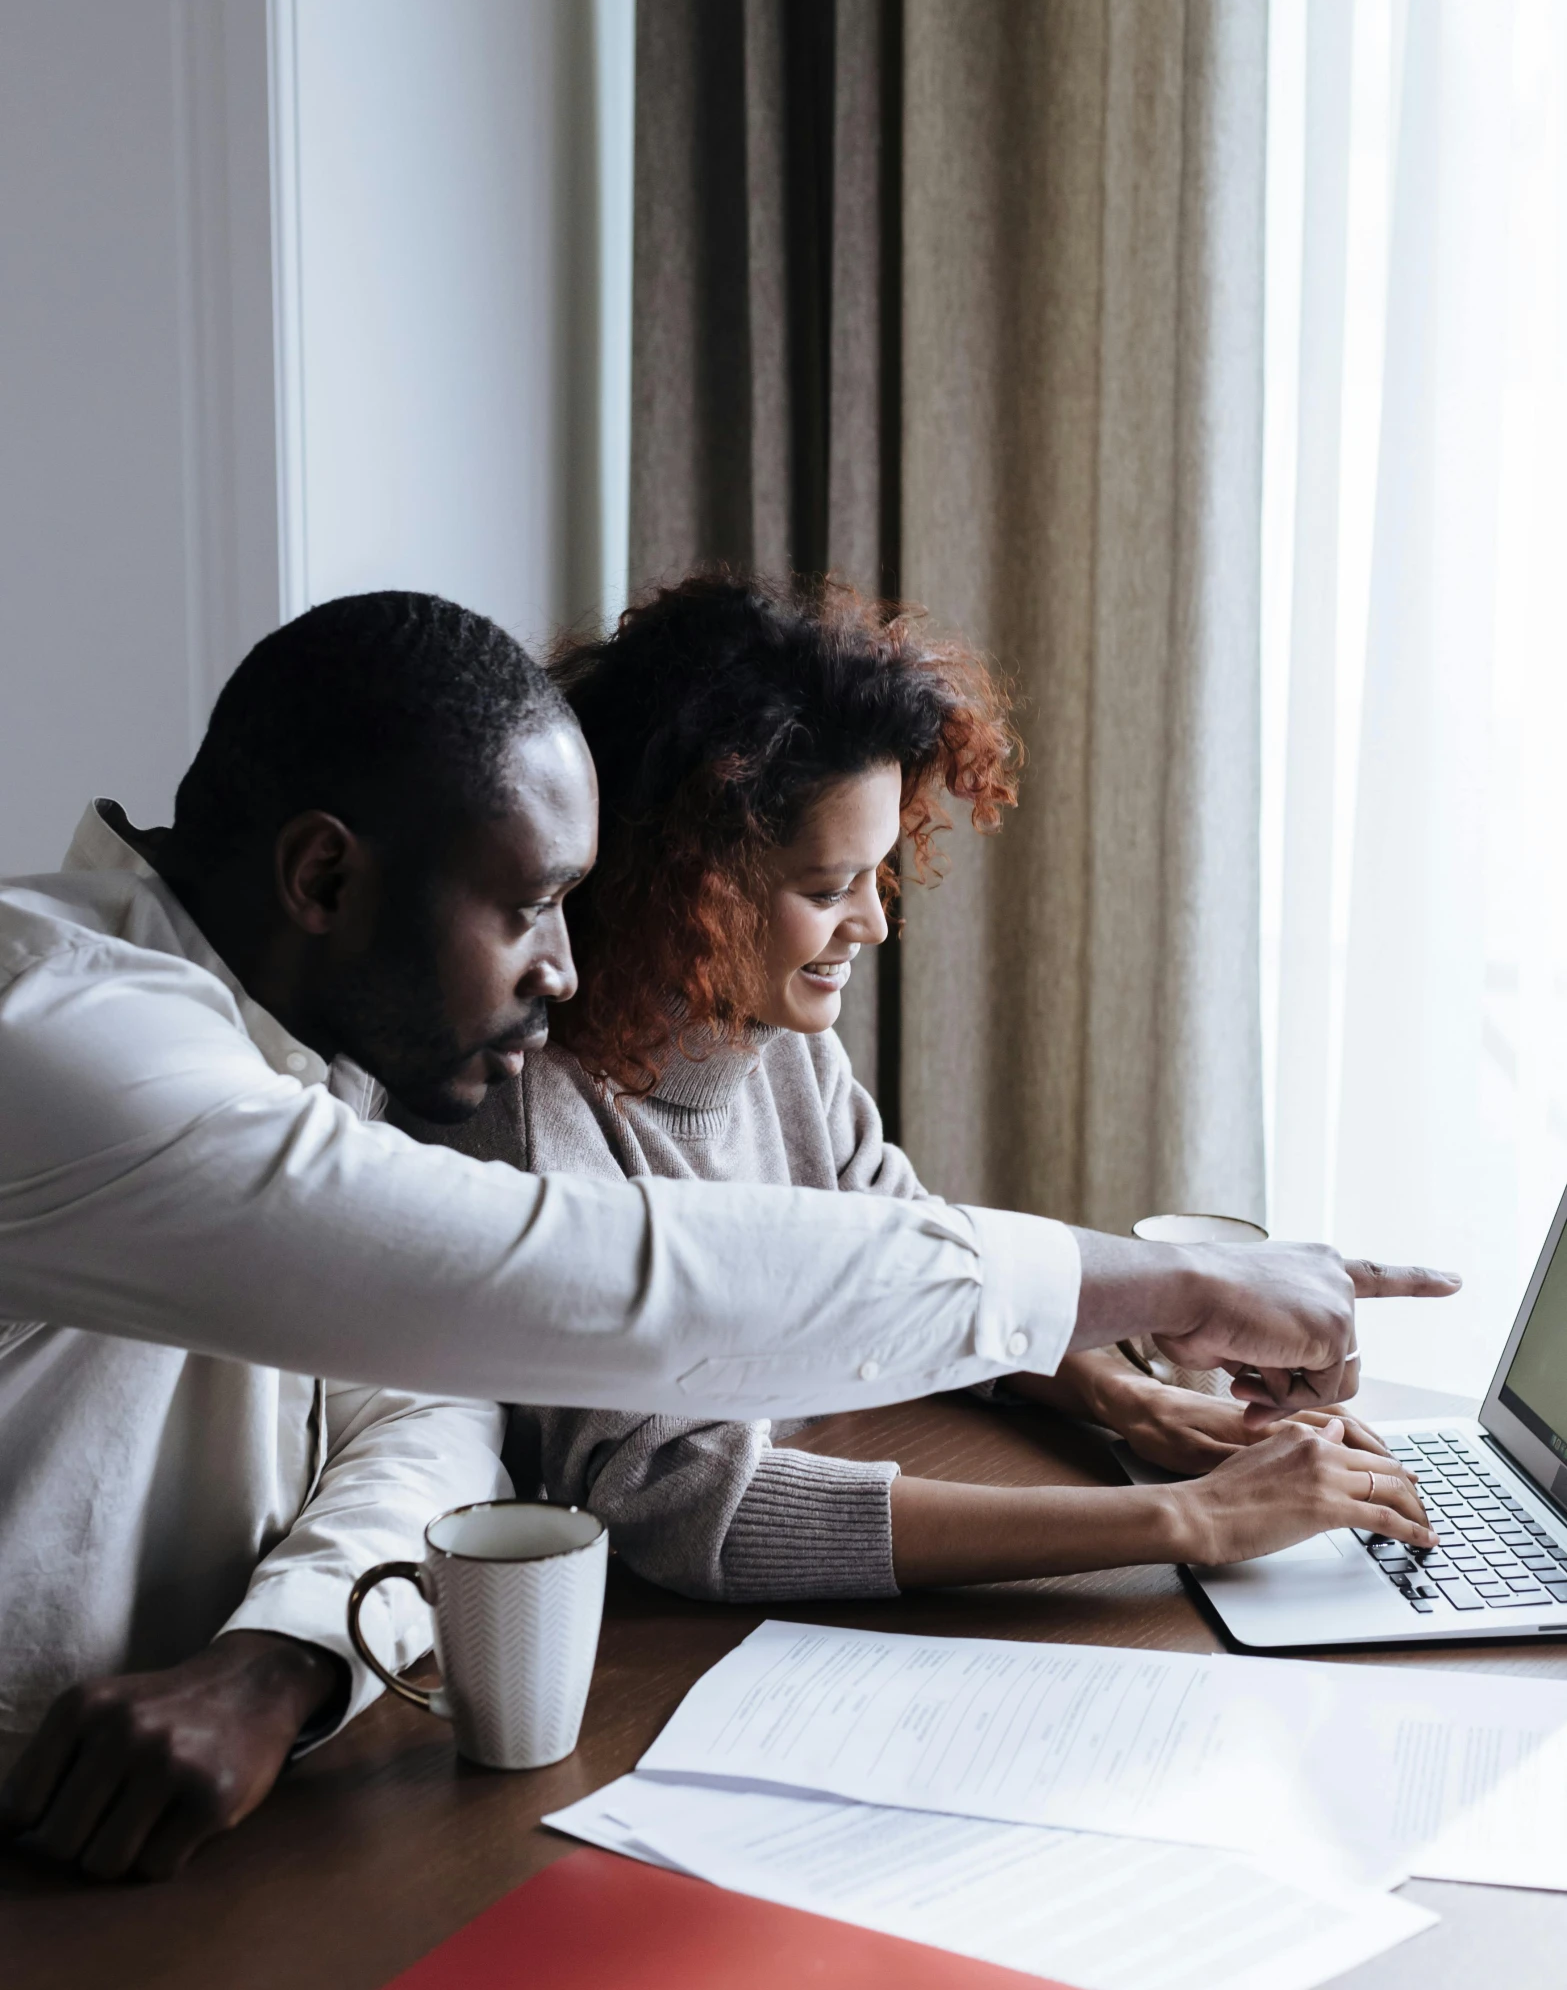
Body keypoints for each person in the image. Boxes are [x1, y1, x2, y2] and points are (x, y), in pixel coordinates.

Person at [0, 591, 1452, 1880]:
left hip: (172, 1825)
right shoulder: (63, 1051)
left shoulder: (317, 1040)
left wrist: (284, 1654)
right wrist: (1173, 1295)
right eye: (529, 908)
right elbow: (583, 1289)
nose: (559, 968)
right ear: (323, 880)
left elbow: (435, 1393)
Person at [395, 574, 1441, 1600]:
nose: (874, 923)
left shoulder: (773, 1033)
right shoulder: (534, 1112)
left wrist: (1128, 1402)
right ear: (681, 887)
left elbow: (911, 1272)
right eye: (826, 887)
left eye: (877, 873)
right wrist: (1186, 1519)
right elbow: (676, 1499)